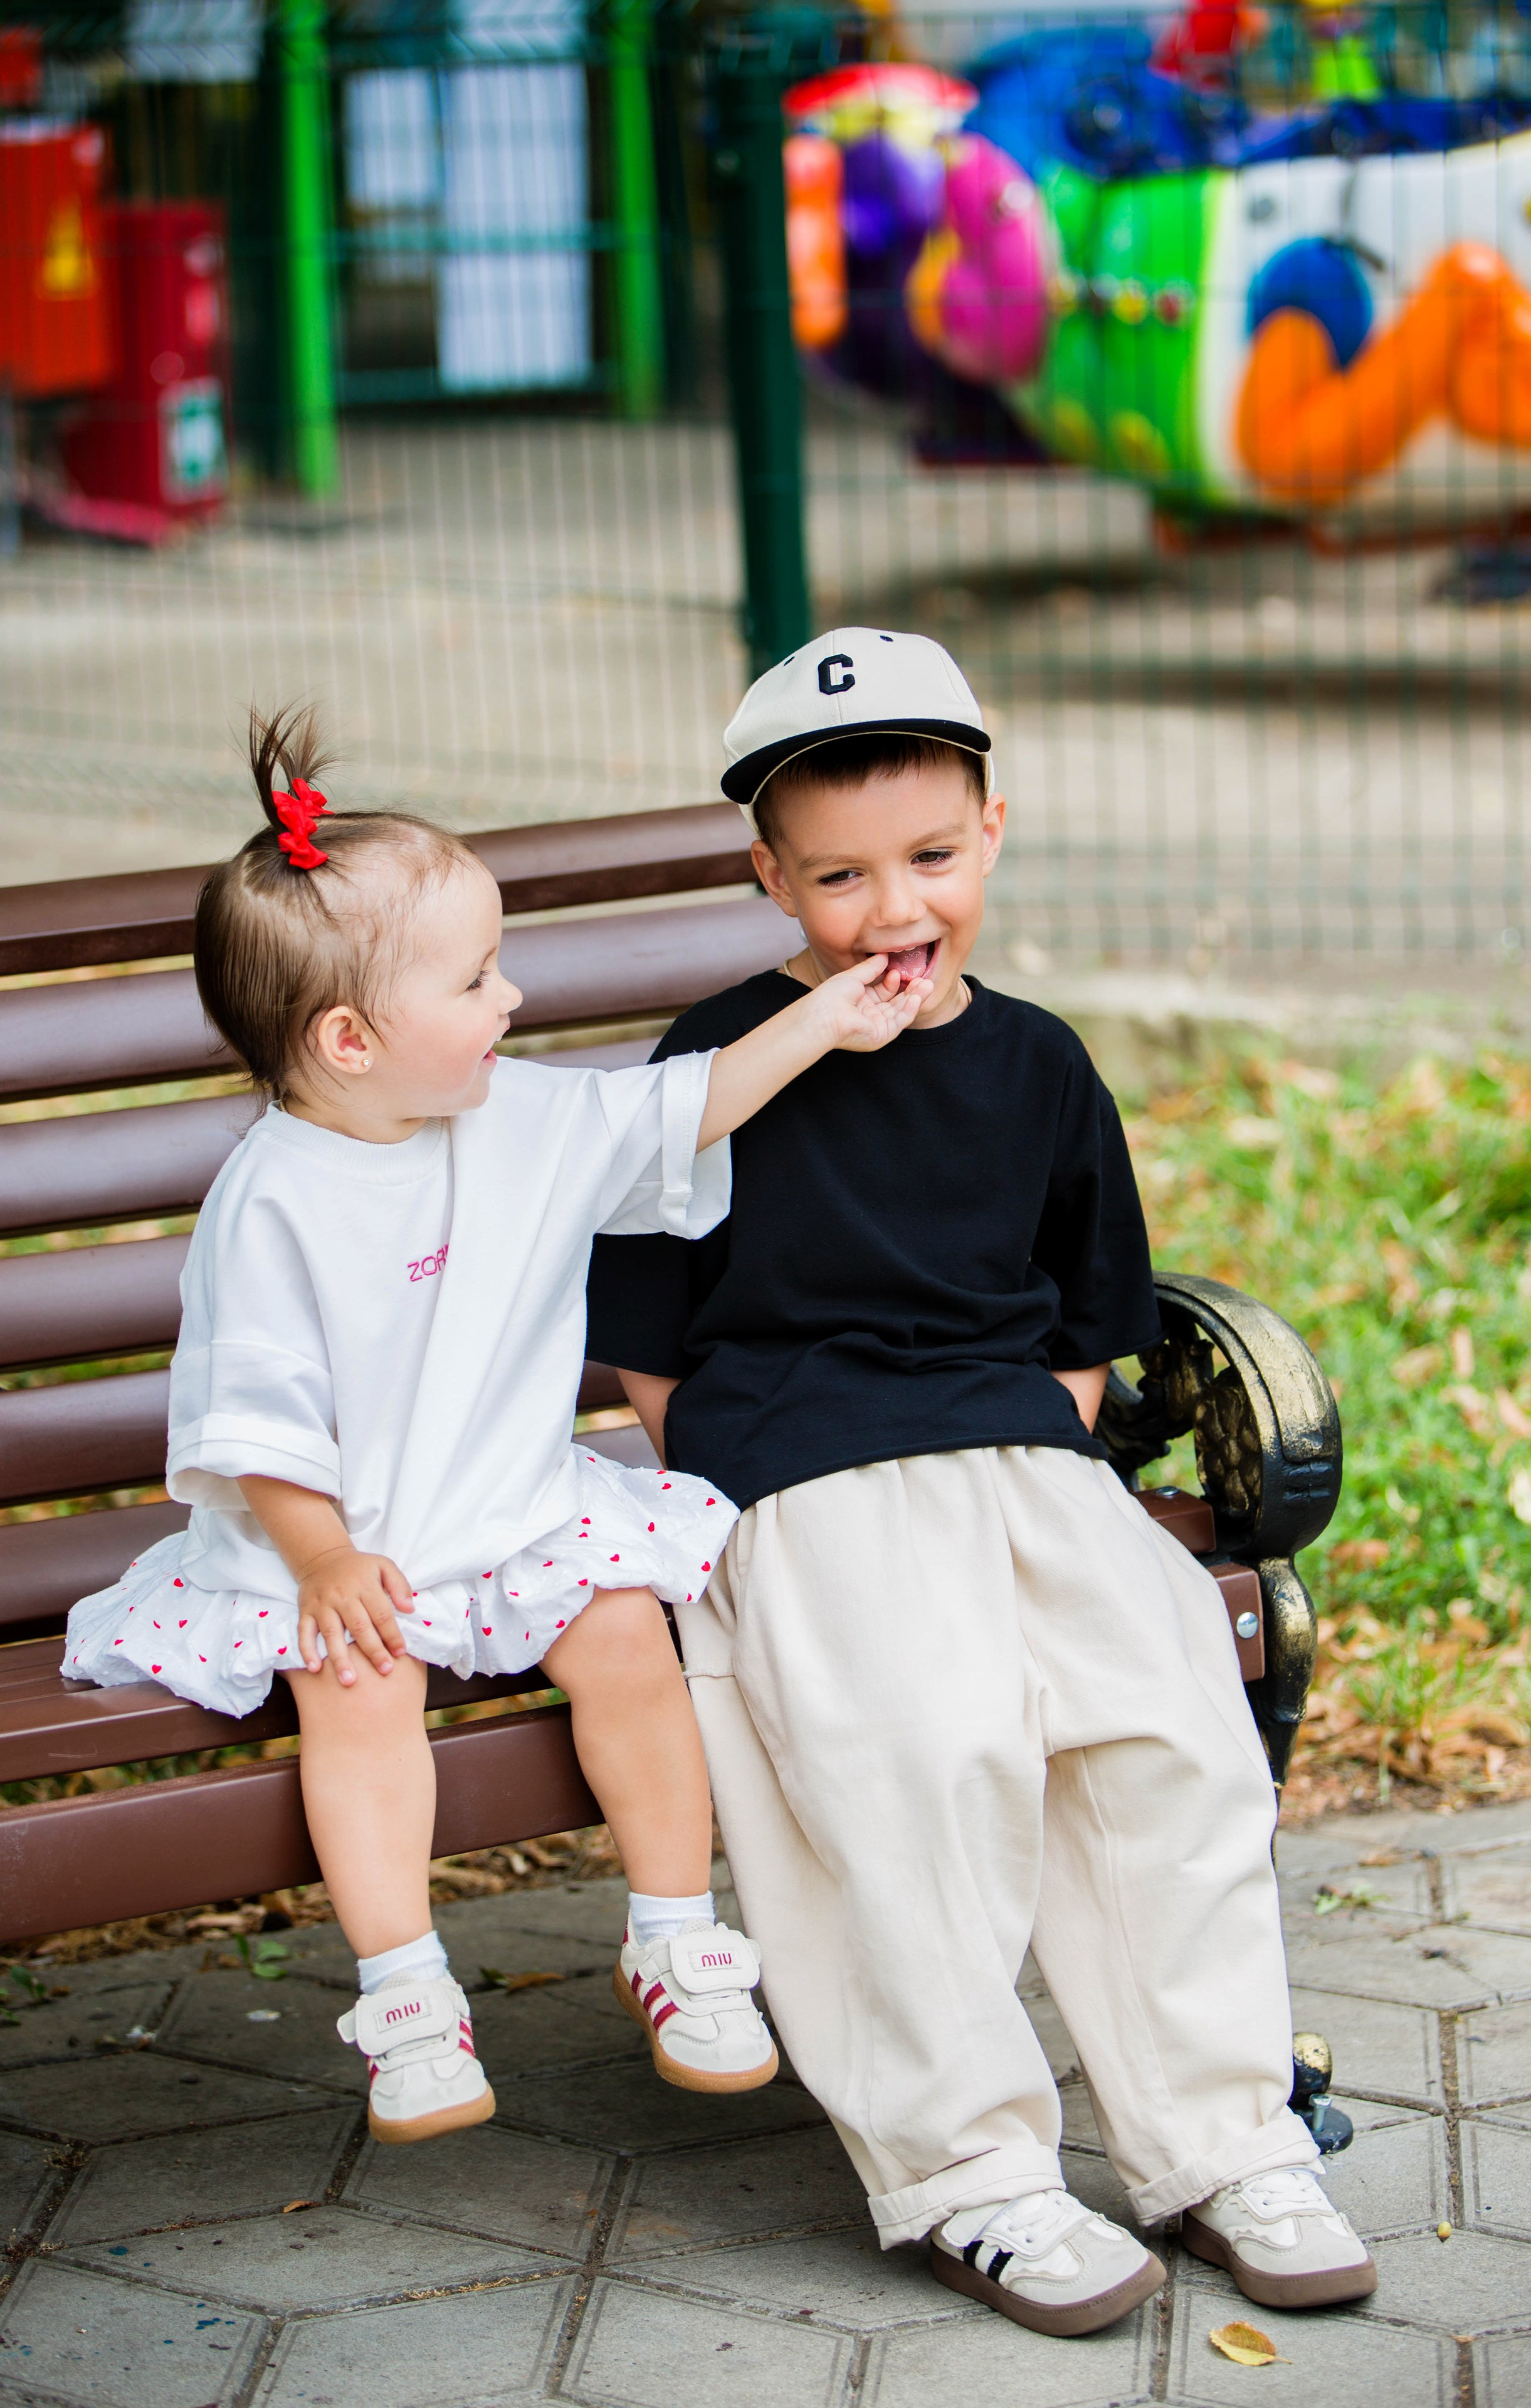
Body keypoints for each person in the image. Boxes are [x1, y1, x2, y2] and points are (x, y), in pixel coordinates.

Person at [585, 629, 1378, 2335]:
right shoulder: (717, 1064)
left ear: (993, 835)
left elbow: (1091, 1309)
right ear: (772, 877)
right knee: (912, 1759)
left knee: (1164, 1727)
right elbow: (646, 1324)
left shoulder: (1035, 1064)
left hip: (1017, 1452)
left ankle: (1219, 2139)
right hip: (805, 1477)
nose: (893, 910)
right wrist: (737, 1482)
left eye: (932, 860)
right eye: (843, 878)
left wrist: (1039, 1444)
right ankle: (972, 2173)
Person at [63, 704, 932, 2146]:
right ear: (349, 1039)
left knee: (627, 1644)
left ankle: (673, 1939)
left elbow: (678, 1112)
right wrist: (328, 1566)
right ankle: (405, 1993)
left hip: (516, 1513)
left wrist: (828, 1018)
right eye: (474, 979)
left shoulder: (510, 1117)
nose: (512, 999)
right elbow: (259, 1426)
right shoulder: (274, 1203)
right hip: (338, 1552)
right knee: (361, 1686)